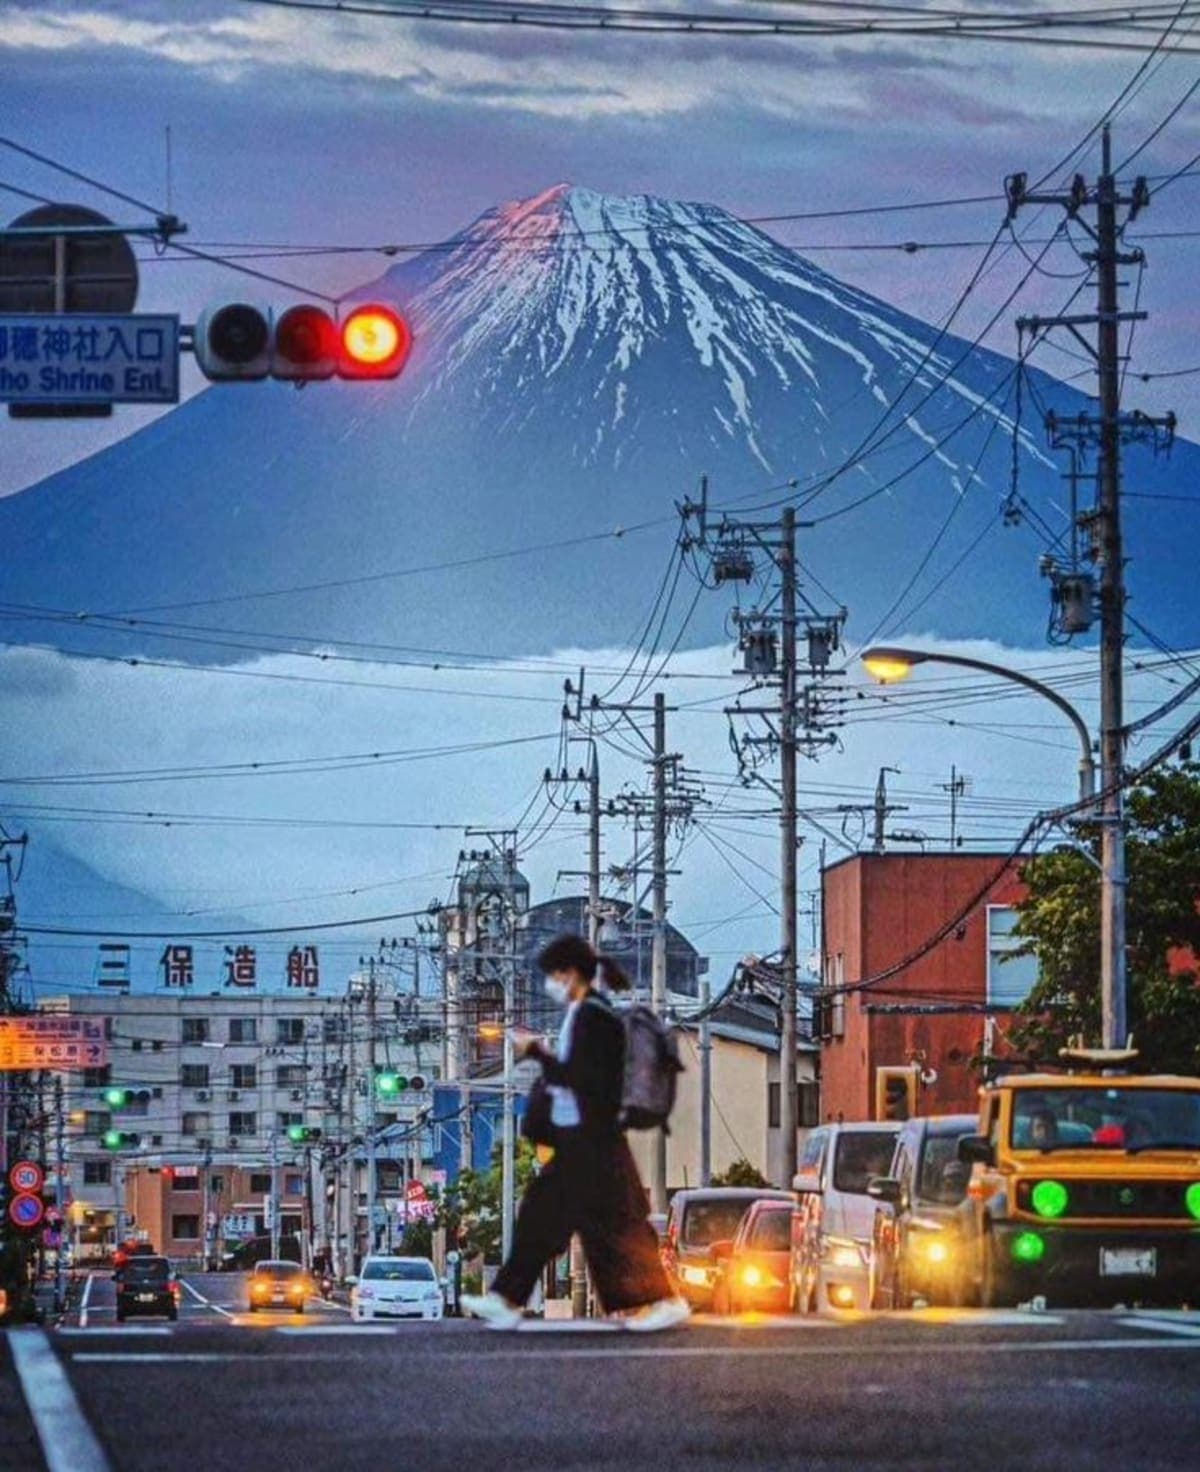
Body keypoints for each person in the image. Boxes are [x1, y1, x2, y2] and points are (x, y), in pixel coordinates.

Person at [462, 934, 690, 1333]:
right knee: (592, 1225)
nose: (551, 983)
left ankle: (661, 1300)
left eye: (553, 974)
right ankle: (509, 1299)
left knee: (582, 1221)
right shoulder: (586, 1013)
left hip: (591, 1138)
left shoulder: (592, 1017)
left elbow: (581, 1079)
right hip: (587, 1138)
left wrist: (537, 1052)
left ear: (569, 973)